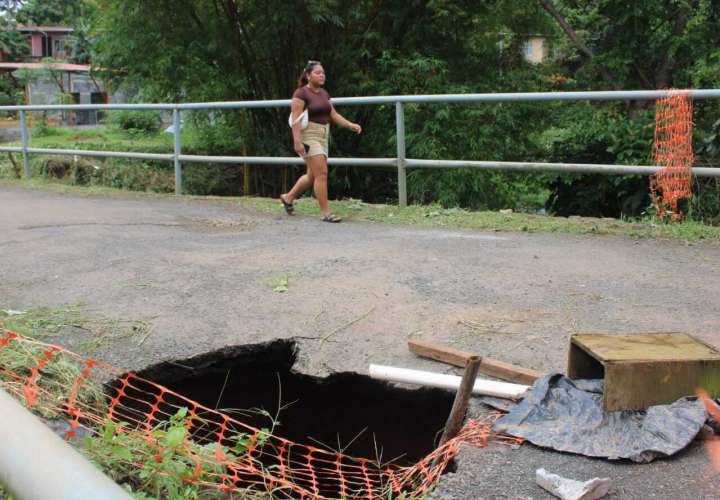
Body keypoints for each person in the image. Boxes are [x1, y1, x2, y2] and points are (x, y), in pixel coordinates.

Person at [280, 60, 362, 223]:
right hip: (308, 134)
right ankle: (326, 213)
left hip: (323, 134)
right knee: (322, 173)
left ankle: (288, 197)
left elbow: (334, 115)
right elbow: (295, 120)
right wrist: (297, 142)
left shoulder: (324, 93)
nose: (322, 75)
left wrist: (350, 125)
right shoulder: (300, 93)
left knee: (312, 176)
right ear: (308, 75)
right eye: (318, 73)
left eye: (323, 72)